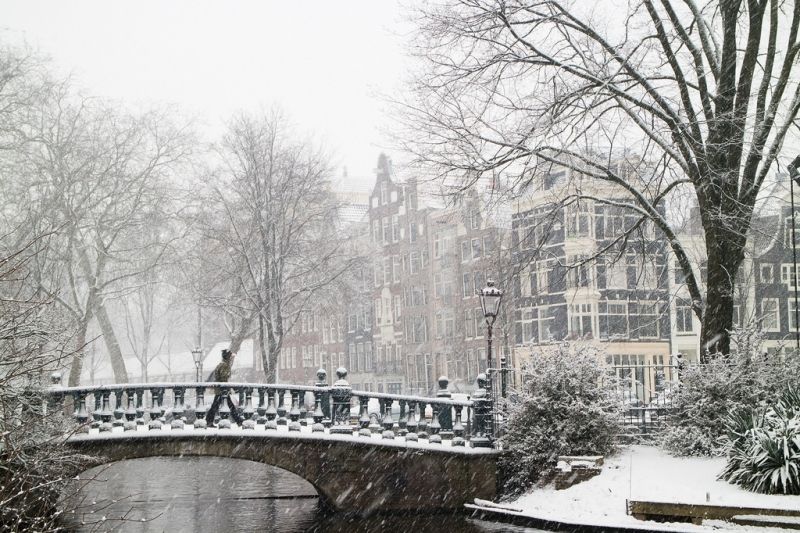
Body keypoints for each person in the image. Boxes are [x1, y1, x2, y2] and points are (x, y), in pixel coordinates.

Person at [205, 349, 244, 426]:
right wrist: (227, 388)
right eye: (230, 356)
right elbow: (223, 378)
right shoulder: (225, 365)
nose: (231, 358)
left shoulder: (221, 364)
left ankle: (209, 421)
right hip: (222, 390)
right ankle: (238, 421)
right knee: (225, 406)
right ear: (227, 357)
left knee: (218, 406)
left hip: (220, 390)